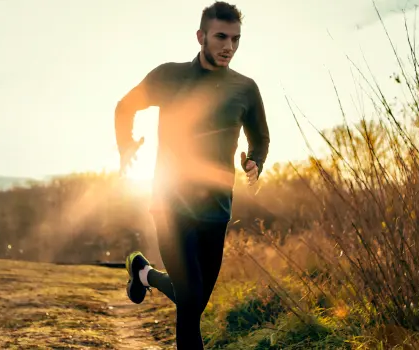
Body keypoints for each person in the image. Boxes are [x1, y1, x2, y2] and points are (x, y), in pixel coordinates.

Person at [114, 2, 270, 349]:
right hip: (170, 203)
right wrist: (125, 144)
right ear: (201, 36)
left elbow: (260, 136)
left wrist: (256, 160)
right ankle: (145, 273)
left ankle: (142, 272)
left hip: (216, 209)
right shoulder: (169, 76)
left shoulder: (245, 88)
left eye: (235, 39)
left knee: (195, 301)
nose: (228, 46)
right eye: (220, 37)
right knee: (190, 300)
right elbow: (125, 106)